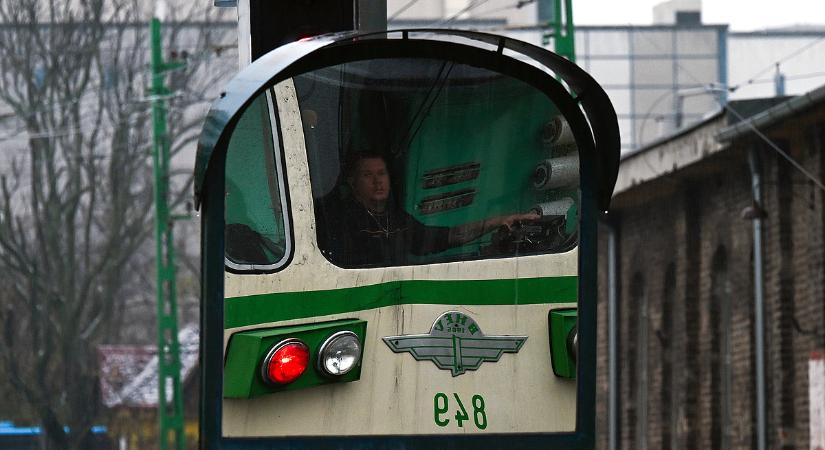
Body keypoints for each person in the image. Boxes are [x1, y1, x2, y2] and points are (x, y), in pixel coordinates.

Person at [324, 151, 538, 266]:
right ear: (352, 182)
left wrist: (498, 221)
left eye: (382, 173)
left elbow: (446, 237)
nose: (378, 181)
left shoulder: (395, 219)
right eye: (368, 175)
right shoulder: (341, 220)